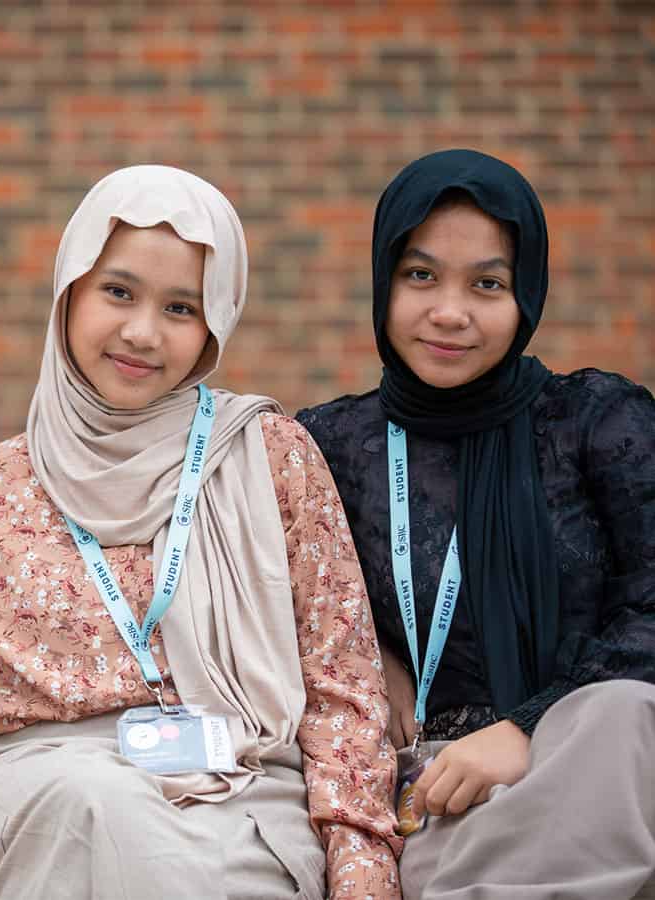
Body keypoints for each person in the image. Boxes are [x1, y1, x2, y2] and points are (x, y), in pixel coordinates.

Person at [0, 165, 402, 900]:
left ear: (215, 324)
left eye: (182, 308)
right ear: (69, 292)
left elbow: (340, 690)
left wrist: (361, 877)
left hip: (242, 795)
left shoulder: (268, 455)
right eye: (118, 291)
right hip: (47, 806)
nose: (143, 332)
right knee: (98, 811)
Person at [297, 149, 655, 900]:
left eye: (487, 284)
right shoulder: (327, 446)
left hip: (586, 763)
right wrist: (371, 651)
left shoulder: (597, 423)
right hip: (428, 795)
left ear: (526, 294)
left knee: (624, 713)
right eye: (420, 275)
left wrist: (526, 728)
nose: (450, 312)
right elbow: (283, 609)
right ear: (383, 281)